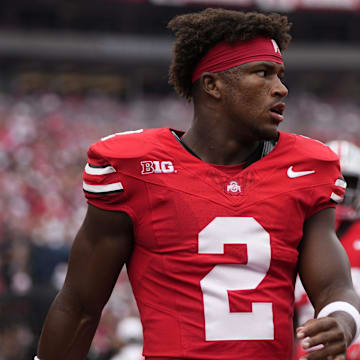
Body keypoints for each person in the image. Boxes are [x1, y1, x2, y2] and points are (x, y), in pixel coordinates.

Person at [35, 8, 360, 360]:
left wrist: (341, 318)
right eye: (263, 73)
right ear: (212, 84)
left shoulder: (308, 168)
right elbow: (81, 305)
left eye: (280, 75)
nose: (280, 88)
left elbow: (333, 285)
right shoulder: (135, 168)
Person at [295, 139, 360, 360]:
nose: (341, 189)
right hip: (306, 336)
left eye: (349, 182)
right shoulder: (297, 226)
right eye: (337, 180)